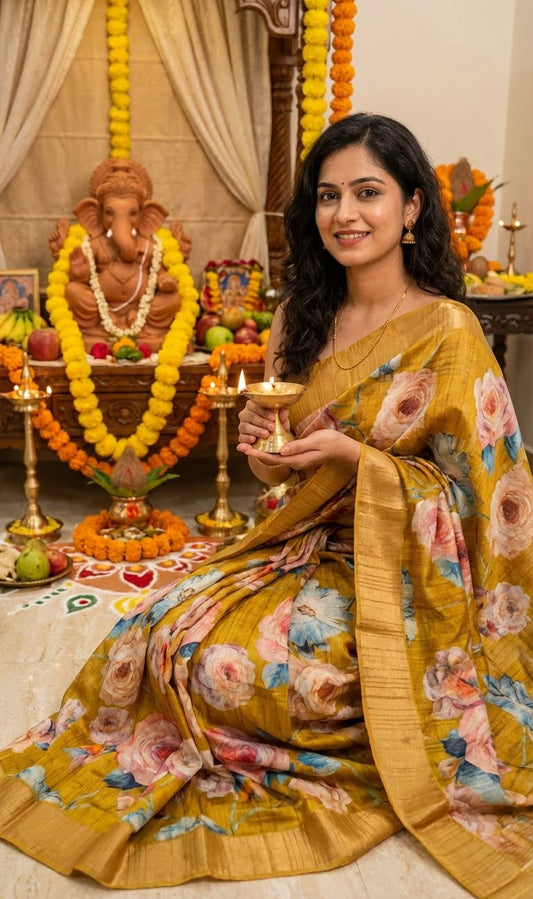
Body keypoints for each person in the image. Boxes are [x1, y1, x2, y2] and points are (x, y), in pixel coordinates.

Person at [0, 113, 531, 898]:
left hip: (412, 583)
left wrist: (363, 463)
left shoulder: (449, 332)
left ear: (412, 207)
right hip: (297, 547)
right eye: (327, 196)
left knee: (238, 669)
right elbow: (277, 477)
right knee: (157, 631)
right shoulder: (301, 318)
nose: (344, 214)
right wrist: (260, 446)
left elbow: (493, 503)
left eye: (367, 192)